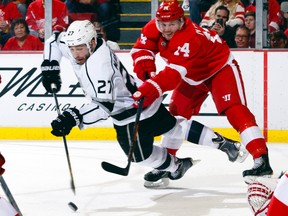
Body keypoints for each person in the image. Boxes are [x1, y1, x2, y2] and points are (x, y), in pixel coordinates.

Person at [40, 20, 247, 188]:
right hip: (136, 99)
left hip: (131, 107)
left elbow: (105, 108)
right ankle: (198, 155)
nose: (75, 54)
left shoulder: (100, 66)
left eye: (80, 48)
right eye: (72, 49)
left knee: (155, 142)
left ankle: (196, 157)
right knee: (160, 138)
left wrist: (73, 117)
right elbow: (53, 41)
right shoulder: (80, 45)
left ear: (92, 43)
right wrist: (50, 67)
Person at [130, 0, 273, 184]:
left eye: (172, 24)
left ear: (181, 21)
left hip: (219, 68)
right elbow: (142, 48)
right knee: (174, 117)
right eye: (163, 24)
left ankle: (261, 160)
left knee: (235, 110)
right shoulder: (154, 27)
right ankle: (169, 164)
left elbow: (172, 76)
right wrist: (146, 69)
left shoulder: (189, 37)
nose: (166, 29)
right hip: (191, 75)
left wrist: (148, 89)